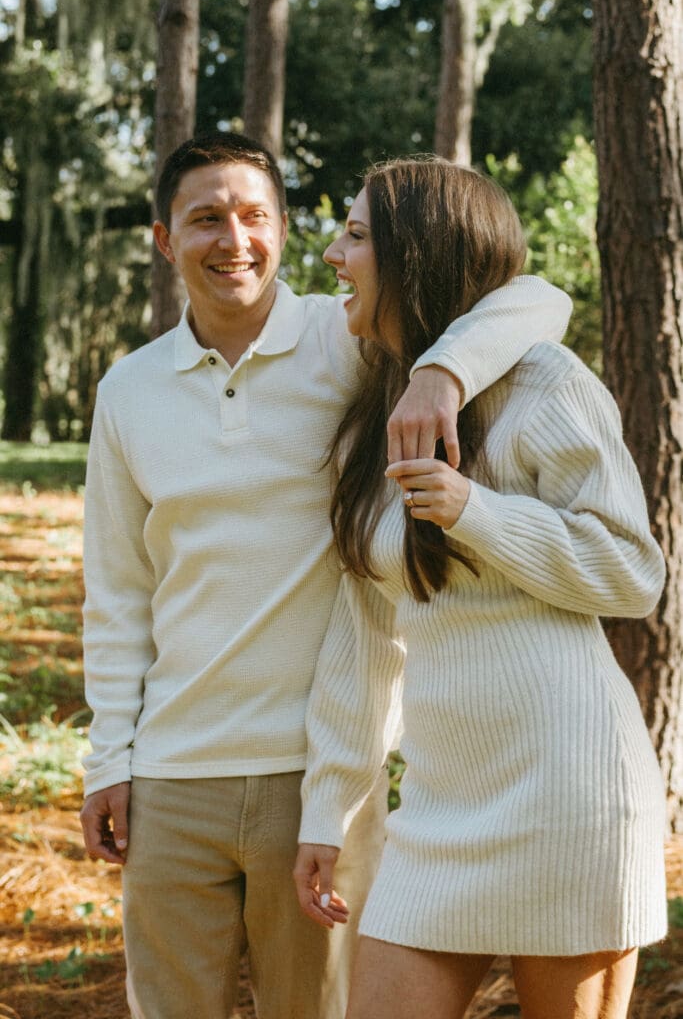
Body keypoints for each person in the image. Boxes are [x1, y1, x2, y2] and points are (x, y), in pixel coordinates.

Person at [79, 132, 572, 1019]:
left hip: (317, 774)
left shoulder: (348, 342)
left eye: (253, 216)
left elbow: (536, 299)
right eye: (205, 220)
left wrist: (438, 370)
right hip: (169, 776)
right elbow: (118, 593)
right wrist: (108, 757)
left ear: (280, 226)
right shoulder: (128, 390)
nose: (234, 240)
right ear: (164, 240)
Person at [294, 157, 667, 1019]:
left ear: (415, 253)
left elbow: (631, 574)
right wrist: (327, 814)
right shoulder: (374, 412)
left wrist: (473, 512)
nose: (330, 253)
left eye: (354, 235)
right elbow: (362, 645)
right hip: (439, 809)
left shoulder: (548, 385)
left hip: (571, 795)